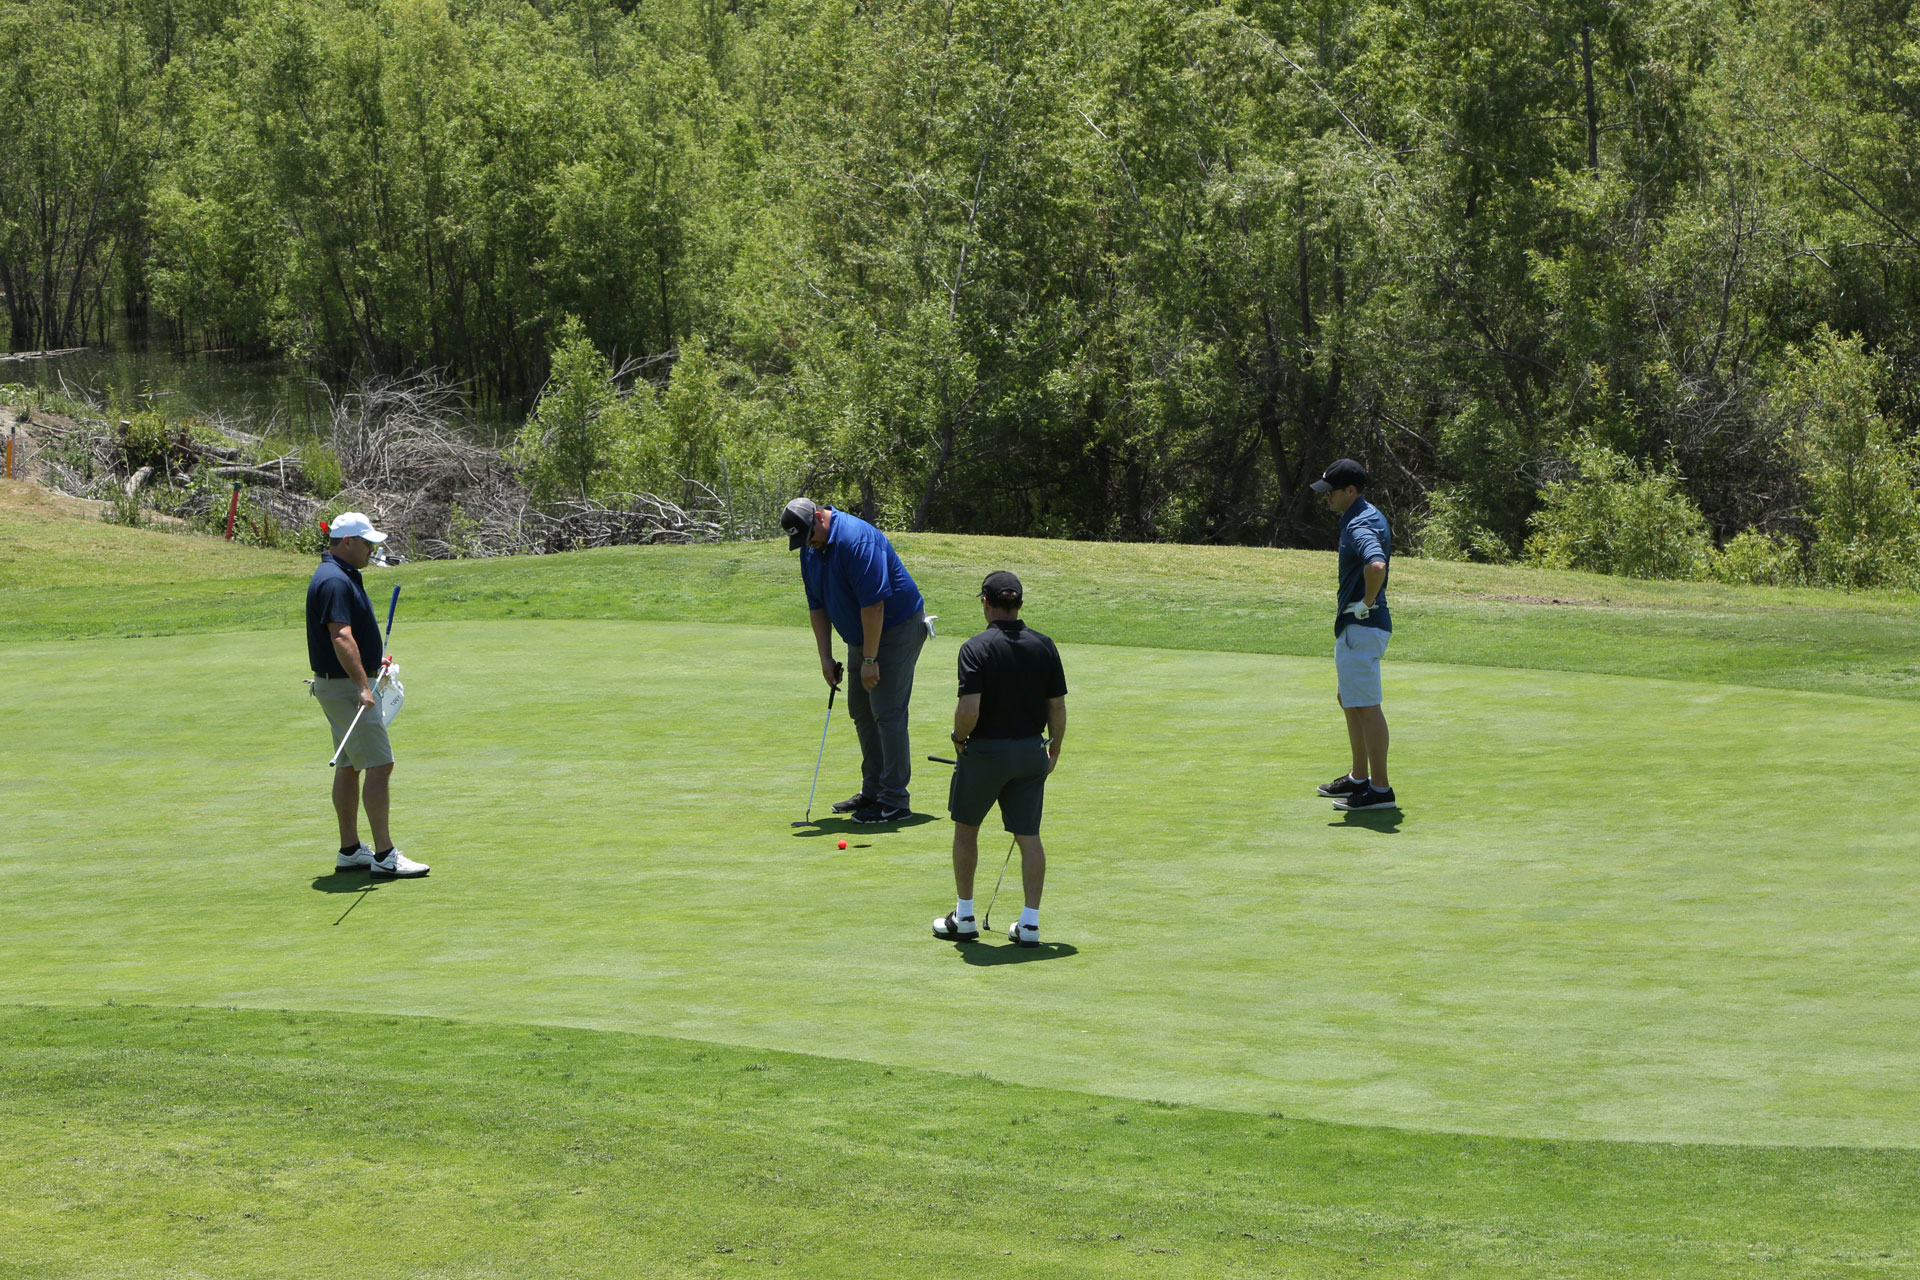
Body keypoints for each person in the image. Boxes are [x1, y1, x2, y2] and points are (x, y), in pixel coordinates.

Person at [932, 571, 1067, 948]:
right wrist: (1054, 748)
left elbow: (968, 709)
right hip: (1031, 753)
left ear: (985, 604)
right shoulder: (1044, 645)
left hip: (986, 753)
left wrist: (959, 740)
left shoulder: (975, 647)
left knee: (966, 830)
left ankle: (965, 917)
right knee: (1029, 838)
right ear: (1019, 604)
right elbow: (1057, 706)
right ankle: (1030, 924)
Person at [780, 497, 929, 824]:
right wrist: (825, 658)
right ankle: (873, 790)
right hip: (861, 634)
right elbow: (817, 607)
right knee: (861, 710)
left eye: (809, 536)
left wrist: (870, 659)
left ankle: (895, 800)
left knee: (886, 711)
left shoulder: (856, 540)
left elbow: (874, 606)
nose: (808, 544)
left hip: (896, 627)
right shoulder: (810, 548)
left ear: (818, 517)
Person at [307, 512, 429, 878]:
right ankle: (385, 855)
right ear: (347, 542)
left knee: (348, 766)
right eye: (366, 543)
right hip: (347, 688)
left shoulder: (340, 574)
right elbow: (340, 636)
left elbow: (350, 635)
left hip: (339, 683)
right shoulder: (334, 580)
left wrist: (374, 664)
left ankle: (350, 850)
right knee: (380, 764)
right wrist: (363, 684)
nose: (371, 550)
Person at [1310, 459, 1397, 811]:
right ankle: (1359, 777)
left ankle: (1380, 790)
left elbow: (1376, 565)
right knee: (1349, 698)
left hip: (1362, 625)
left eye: (1331, 492)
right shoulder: (1364, 515)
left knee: (1365, 705)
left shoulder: (1359, 523)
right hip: (1359, 628)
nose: (1326, 497)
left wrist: (1366, 602)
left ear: (1351, 490)